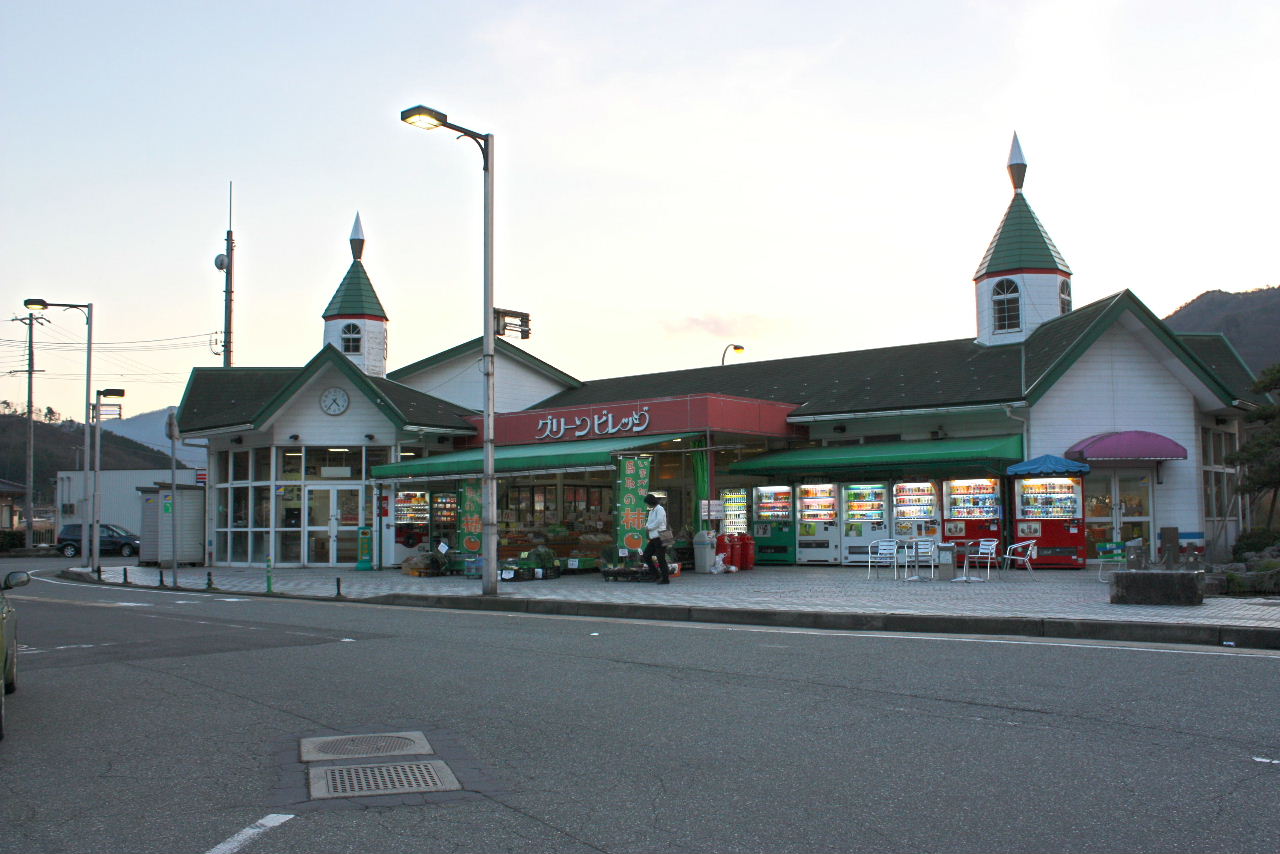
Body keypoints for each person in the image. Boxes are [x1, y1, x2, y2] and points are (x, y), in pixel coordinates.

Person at [642, 493, 671, 584]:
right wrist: (647, 526)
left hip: (661, 535)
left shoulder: (660, 509)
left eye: (647, 503)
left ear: (650, 502)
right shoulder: (651, 511)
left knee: (661, 558)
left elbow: (659, 521)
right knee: (646, 555)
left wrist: (649, 527)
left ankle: (665, 579)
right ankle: (655, 574)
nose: (647, 505)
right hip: (654, 537)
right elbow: (648, 522)